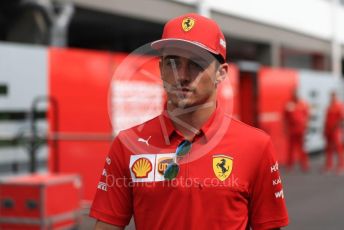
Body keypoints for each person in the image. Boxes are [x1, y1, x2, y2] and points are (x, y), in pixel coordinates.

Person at [89, 13, 289, 229]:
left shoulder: (256, 146)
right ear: (160, 69)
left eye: (196, 64)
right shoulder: (128, 144)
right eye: (172, 62)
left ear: (221, 74)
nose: (181, 75)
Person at [284, 90, 310, 172]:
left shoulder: (303, 104)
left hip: (301, 130)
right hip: (292, 129)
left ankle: (304, 165)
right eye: (294, 94)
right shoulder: (289, 104)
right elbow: (285, 117)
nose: (295, 95)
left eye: (296, 94)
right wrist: (285, 128)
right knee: (291, 149)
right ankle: (289, 165)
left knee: (302, 148)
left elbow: (307, 116)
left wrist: (306, 127)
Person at [323, 91, 344, 174]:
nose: (332, 98)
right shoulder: (329, 107)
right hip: (328, 131)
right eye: (331, 96)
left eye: (333, 96)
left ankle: (341, 166)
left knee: (339, 149)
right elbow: (326, 120)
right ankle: (329, 166)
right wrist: (325, 130)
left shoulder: (339, 106)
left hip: (336, 131)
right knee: (329, 149)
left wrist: (337, 127)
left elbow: (342, 119)